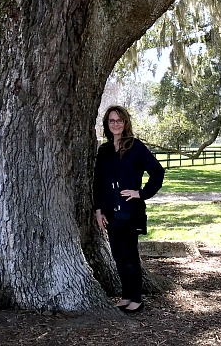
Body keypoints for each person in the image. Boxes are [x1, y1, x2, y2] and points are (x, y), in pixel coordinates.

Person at [93, 105, 164, 313]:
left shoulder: (135, 146)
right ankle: (125, 296)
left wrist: (140, 193)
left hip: (130, 211)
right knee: (118, 255)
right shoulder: (104, 150)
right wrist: (98, 210)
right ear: (107, 124)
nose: (115, 124)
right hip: (110, 211)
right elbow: (98, 183)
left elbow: (157, 172)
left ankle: (136, 299)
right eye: (111, 121)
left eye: (119, 120)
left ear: (125, 123)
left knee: (130, 255)